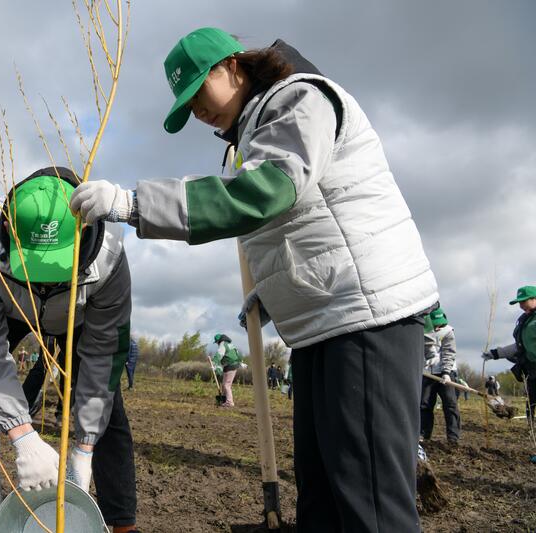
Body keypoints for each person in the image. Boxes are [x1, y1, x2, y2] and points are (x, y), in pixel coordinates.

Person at [70, 27, 438, 532]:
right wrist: (272, 290)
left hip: (366, 316)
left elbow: (265, 193)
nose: (198, 111)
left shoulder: (299, 100)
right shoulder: (254, 132)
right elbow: (301, 226)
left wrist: (134, 204)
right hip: (321, 322)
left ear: (232, 65)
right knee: (323, 497)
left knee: (368, 502)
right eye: (187, 105)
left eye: (198, 91)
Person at [0, 167, 138, 533]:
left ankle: (121, 523)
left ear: (85, 233)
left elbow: (103, 356)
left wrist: (84, 447)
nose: (46, 278)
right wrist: (23, 436)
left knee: (108, 401)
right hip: (11, 307)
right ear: (8, 230)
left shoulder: (109, 255)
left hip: (79, 312)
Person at [483, 285, 536, 420]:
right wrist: (496, 353)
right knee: (531, 403)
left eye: (524, 301)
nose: (521, 305)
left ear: (534, 299)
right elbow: (519, 346)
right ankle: (531, 429)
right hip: (532, 369)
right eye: (519, 302)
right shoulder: (526, 320)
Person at [420, 307, 460, 443]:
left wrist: (446, 372)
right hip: (428, 373)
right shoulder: (422, 330)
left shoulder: (448, 331)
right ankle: (423, 435)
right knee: (424, 405)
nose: (438, 327)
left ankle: (453, 438)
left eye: (440, 324)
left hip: (446, 374)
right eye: (435, 325)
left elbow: (449, 352)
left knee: (450, 405)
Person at [212, 333, 242, 407]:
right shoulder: (230, 344)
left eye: (216, 342)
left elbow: (219, 354)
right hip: (232, 365)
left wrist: (214, 363)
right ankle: (225, 400)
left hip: (230, 365)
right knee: (224, 384)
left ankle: (229, 402)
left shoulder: (222, 345)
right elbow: (238, 354)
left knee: (226, 385)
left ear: (219, 341)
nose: (217, 344)